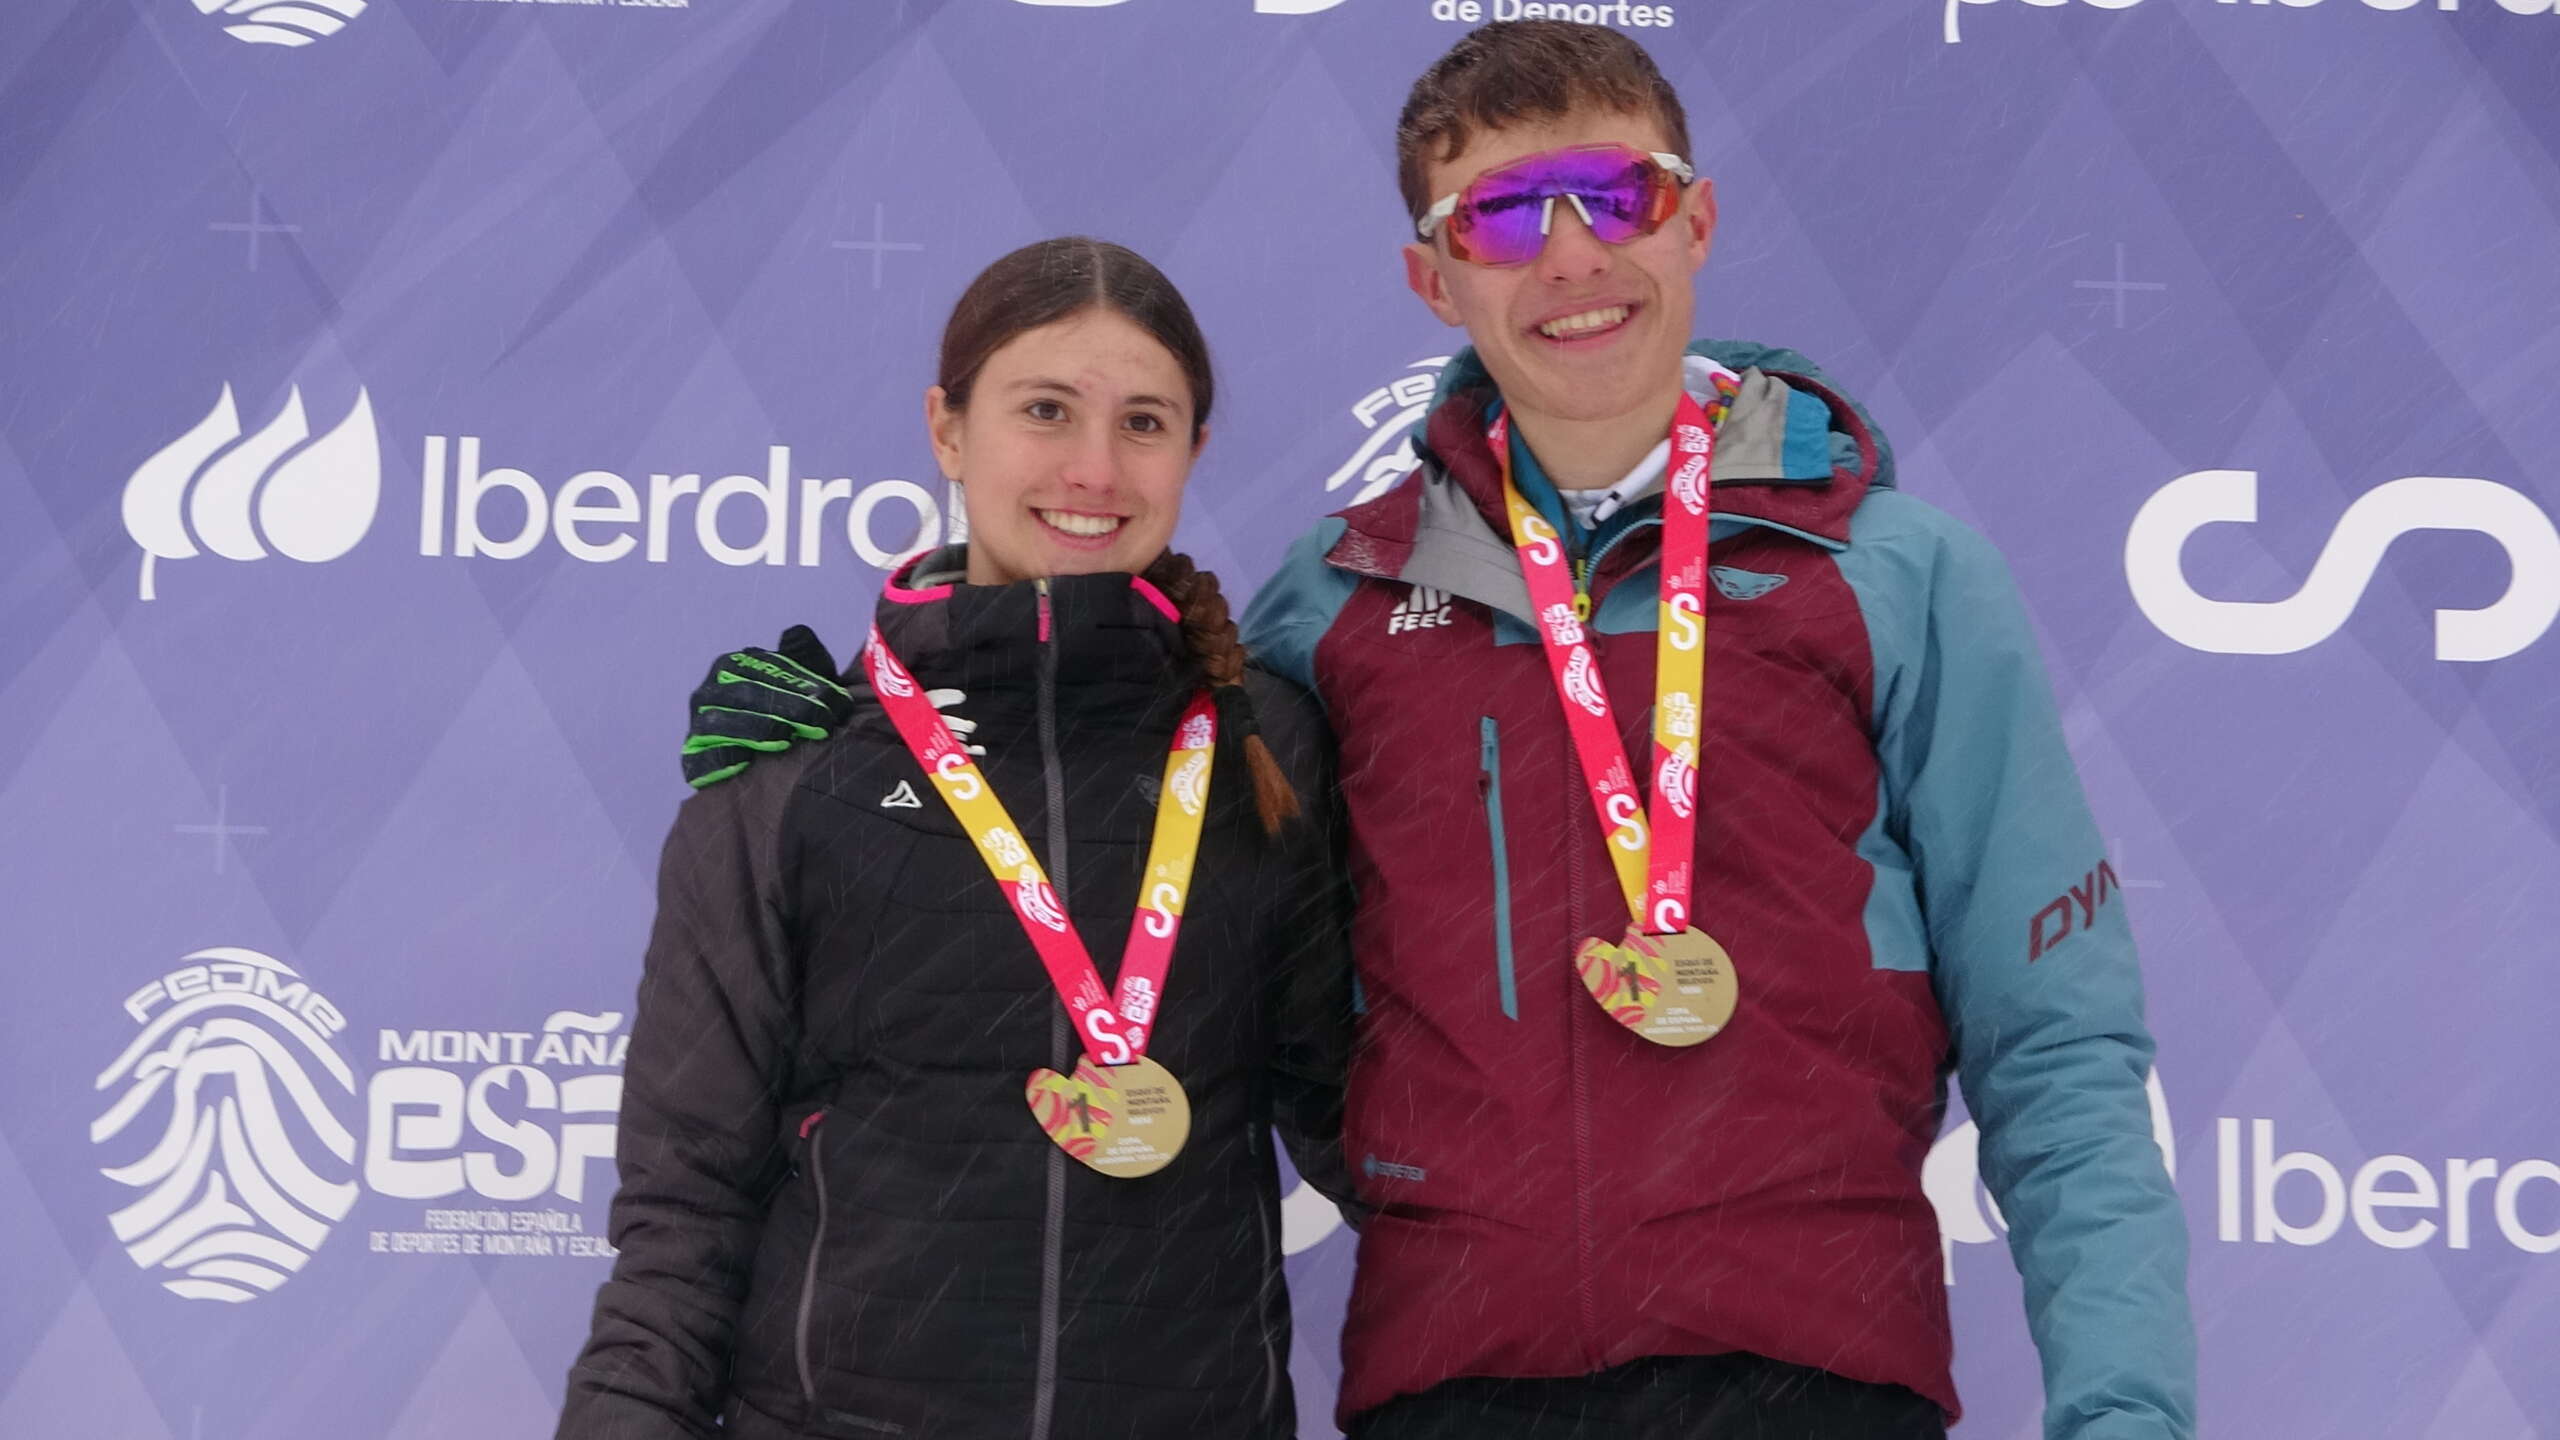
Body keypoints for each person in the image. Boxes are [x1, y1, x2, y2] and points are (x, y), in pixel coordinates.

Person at [675, 21, 2196, 1440]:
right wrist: (863, 722)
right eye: (1501, 218)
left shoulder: (1894, 574)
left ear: (1697, 218)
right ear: (1432, 279)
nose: (1573, 254)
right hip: (1452, 1382)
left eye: (1619, 193)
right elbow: (1111, 792)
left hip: (1814, 1372)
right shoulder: (1333, 600)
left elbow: (2057, 1043)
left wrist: (2126, 1414)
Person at [558, 236, 1353, 1440]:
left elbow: (1375, 1130)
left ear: (1193, 451)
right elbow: (684, 1212)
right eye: (1045, 410)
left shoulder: (1267, 753)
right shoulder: (795, 773)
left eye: (1144, 423)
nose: (1094, 467)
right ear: (947, 429)